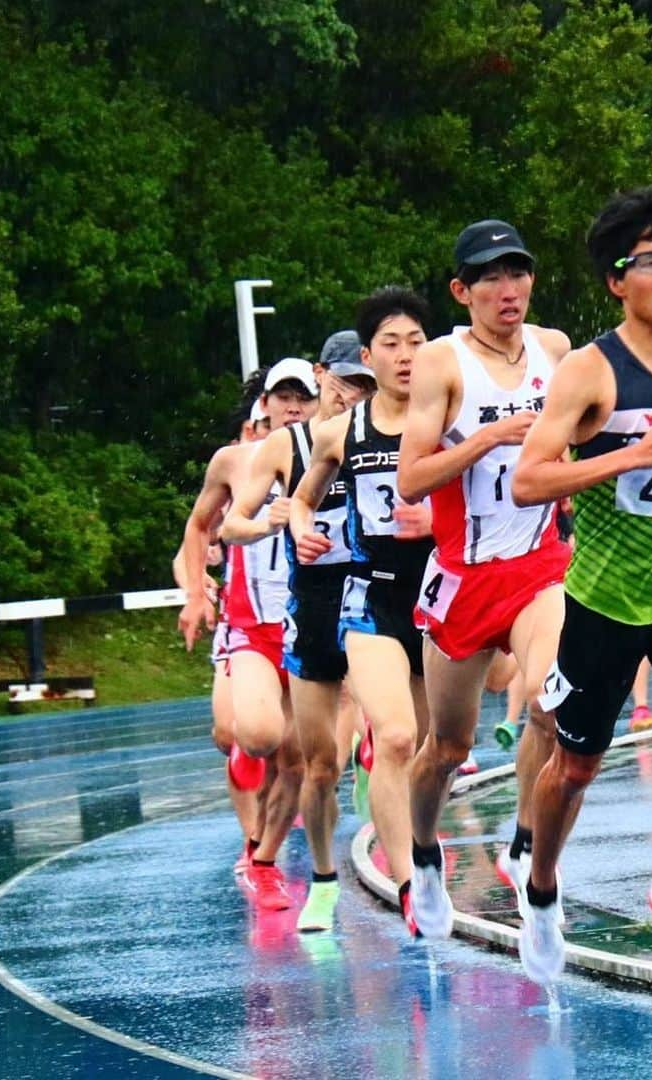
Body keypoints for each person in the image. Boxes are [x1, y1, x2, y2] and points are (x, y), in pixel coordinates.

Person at [511, 187, 652, 984]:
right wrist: (623, 458)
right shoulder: (589, 371)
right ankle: (540, 887)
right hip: (604, 592)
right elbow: (528, 479)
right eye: (651, 262)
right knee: (574, 768)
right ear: (618, 280)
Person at [396, 219, 572, 939]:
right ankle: (423, 852)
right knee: (447, 748)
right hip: (464, 575)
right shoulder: (442, 363)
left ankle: (526, 846)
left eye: (519, 272)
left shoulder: (554, 350)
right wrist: (487, 440)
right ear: (461, 290)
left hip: (539, 565)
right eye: (492, 277)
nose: (510, 290)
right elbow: (411, 477)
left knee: (550, 704)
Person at [288, 286, 435, 935]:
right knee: (377, 742)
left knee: (433, 747)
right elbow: (299, 500)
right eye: (391, 346)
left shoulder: (449, 418)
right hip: (364, 596)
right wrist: (298, 528)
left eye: (416, 343)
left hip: (434, 598)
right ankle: (392, 884)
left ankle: (420, 852)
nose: (404, 357)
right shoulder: (338, 432)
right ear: (369, 357)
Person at [222, 345, 369, 931]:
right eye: (342, 383)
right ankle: (271, 861)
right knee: (307, 761)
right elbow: (227, 522)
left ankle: (412, 867)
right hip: (303, 611)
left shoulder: (385, 431)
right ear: (322, 377)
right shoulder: (282, 448)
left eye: (362, 384)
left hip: (370, 605)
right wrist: (271, 522)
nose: (350, 395)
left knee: (403, 737)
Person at [180, 359, 320, 912]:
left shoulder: (328, 455)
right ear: (263, 403)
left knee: (302, 760)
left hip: (309, 626)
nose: (291, 405)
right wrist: (195, 590)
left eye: (301, 397)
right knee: (257, 736)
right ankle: (247, 767)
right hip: (251, 627)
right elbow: (197, 525)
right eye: (281, 396)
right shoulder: (234, 461)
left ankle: (263, 860)